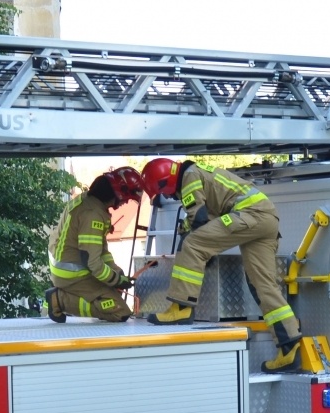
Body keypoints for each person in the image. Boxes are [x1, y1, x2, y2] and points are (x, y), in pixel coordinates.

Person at [140, 158, 303, 372]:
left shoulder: (188, 177)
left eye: (164, 192)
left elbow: (197, 220)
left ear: (165, 182)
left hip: (249, 214)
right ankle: (289, 347)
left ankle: (180, 308)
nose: (168, 196)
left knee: (192, 243)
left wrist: (193, 250)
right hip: (266, 218)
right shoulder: (200, 173)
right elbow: (209, 219)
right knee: (263, 285)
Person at [44, 167, 145, 323]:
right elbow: (93, 263)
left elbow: (100, 251)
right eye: (127, 198)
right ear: (119, 192)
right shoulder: (93, 215)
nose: (125, 202)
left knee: (112, 291)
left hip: (65, 266)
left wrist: (117, 272)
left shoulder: (89, 202)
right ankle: (59, 299)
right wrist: (116, 280)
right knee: (120, 312)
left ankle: (65, 296)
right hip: (73, 275)